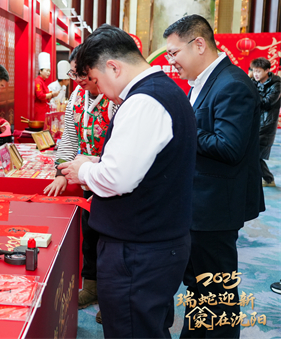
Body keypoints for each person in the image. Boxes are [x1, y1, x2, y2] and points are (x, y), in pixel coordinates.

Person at [60, 24, 197, 338]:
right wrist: (95, 162)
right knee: (146, 326)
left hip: (139, 249)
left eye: (94, 80)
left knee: (131, 329)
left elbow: (117, 178)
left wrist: (83, 169)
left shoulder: (142, 102)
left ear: (113, 66)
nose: (99, 90)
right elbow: (145, 164)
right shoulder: (162, 92)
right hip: (154, 241)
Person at [163, 14, 264, 338]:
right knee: (200, 285)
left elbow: (229, 147)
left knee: (217, 291)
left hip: (216, 208)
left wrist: (182, 128)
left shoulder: (232, 84)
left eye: (175, 53)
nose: (172, 61)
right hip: (200, 204)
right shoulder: (207, 82)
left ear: (199, 44)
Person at [43, 45, 115, 323]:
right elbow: (69, 138)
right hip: (87, 179)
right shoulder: (77, 95)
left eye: (81, 73)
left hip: (112, 177)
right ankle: (92, 287)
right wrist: (62, 170)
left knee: (112, 241)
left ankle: (111, 298)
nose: (77, 79)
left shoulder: (116, 97)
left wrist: (94, 165)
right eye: (74, 72)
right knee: (91, 236)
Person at [250, 57, 281, 187]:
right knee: (252, 153)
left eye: (258, 71)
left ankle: (268, 179)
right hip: (254, 122)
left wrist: (251, 93)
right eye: (254, 71)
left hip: (266, 124)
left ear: (267, 70)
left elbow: (267, 103)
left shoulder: (276, 84)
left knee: (255, 153)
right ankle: (266, 179)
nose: (255, 74)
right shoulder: (253, 81)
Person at [34, 52, 59, 121]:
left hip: (45, 109)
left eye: (49, 71)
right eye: (47, 70)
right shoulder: (38, 81)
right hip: (40, 110)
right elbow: (40, 96)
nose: (48, 73)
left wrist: (52, 95)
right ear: (40, 71)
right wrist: (51, 94)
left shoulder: (43, 81)